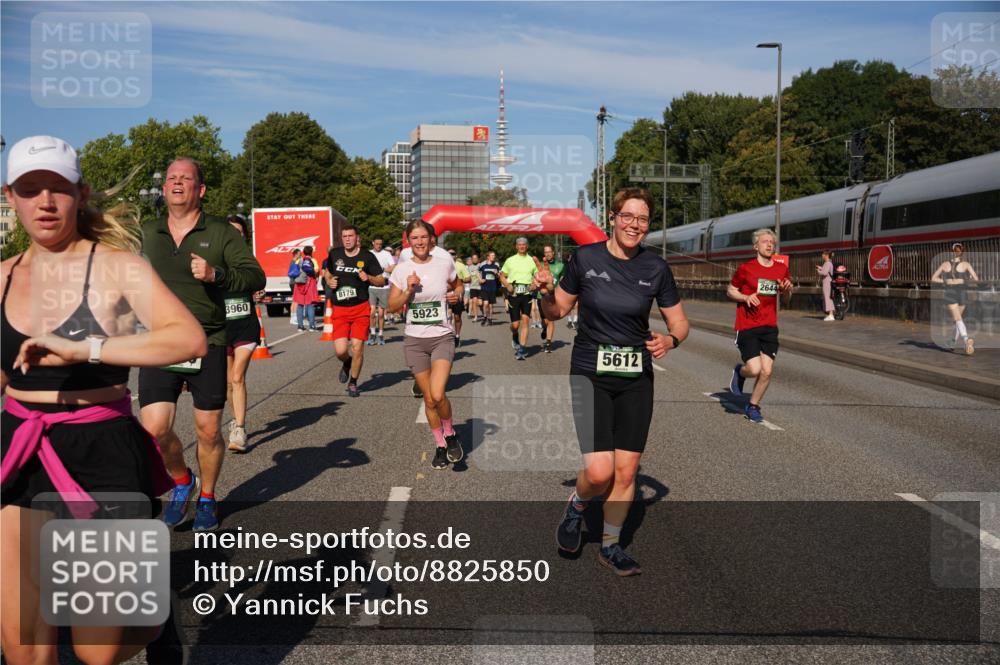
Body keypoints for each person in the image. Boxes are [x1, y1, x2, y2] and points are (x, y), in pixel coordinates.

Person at [1, 135, 206, 664]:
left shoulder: (118, 267)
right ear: (10, 197)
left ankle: (154, 620)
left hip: (103, 449)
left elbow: (187, 339)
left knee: (99, 649)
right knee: (27, 650)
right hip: (19, 449)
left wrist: (86, 348)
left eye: (58, 189)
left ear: (80, 194)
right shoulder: (1, 277)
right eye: (30, 189)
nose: (44, 202)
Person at [538, 187, 688, 576]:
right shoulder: (585, 258)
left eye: (642, 219)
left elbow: (680, 322)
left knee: (627, 473)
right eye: (628, 216)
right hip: (590, 373)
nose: (634, 225)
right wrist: (542, 293)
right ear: (612, 217)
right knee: (601, 472)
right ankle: (576, 505)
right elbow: (558, 309)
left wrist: (670, 339)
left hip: (636, 377)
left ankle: (611, 546)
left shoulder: (656, 268)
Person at [139, 157, 266, 532]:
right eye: (171, 178)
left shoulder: (221, 232)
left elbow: (255, 274)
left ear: (201, 189)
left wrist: (217, 274)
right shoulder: (147, 231)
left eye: (186, 178)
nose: (177, 182)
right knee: (154, 428)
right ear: (164, 189)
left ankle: (208, 496)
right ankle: (182, 481)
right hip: (160, 340)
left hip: (206, 340)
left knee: (209, 430)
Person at [389, 220, 465, 469]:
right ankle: (440, 445)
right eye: (415, 238)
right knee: (429, 401)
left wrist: (457, 295)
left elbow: (459, 285)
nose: (420, 242)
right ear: (408, 241)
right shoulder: (402, 270)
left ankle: (451, 434)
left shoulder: (444, 264)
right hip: (414, 341)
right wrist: (408, 291)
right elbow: (392, 305)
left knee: (437, 393)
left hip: (442, 336)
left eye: (424, 237)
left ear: (432, 239)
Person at [727, 228, 793, 423]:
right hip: (747, 325)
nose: (769, 244)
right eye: (765, 241)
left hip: (769, 326)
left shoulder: (781, 269)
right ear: (756, 246)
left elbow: (787, 299)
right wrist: (746, 297)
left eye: (772, 242)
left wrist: (788, 290)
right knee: (754, 370)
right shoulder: (746, 269)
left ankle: (753, 406)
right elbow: (731, 290)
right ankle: (740, 372)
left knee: (767, 371)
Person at [327, 226, 385, 397]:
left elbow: (381, 280)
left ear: (357, 237)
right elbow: (327, 273)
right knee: (340, 351)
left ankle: (353, 382)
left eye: (350, 236)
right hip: (340, 308)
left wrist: (369, 278)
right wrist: (329, 281)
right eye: (344, 236)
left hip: (360, 308)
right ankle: (347, 362)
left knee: (357, 346)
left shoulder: (367, 256)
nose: (347, 239)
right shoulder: (335, 254)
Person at [223, 215, 263, 453]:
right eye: (230, 231)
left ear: (244, 236)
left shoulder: (249, 261)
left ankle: (239, 428)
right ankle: (235, 420)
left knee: (238, 377)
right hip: (223, 326)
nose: (235, 234)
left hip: (246, 325)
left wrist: (257, 292)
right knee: (228, 382)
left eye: (239, 231)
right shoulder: (214, 260)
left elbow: (258, 281)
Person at [931, 242, 979, 355]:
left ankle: (966, 340)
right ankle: (953, 342)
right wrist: (968, 279)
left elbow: (933, 278)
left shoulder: (945, 264)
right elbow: (976, 279)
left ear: (952, 251)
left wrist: (944, 281)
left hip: (950, 292)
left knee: (957, 320)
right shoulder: (966, 264)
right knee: (958, 319)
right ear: (962, 251)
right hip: (962, 292)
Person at [500, 237, 539, 360]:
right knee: (516, 325)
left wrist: (534, 284)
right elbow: (502, 276)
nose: (522, 246)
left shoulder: (531, 260)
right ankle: (514, 334)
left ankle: (521, 349)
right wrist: (507, 285)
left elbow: (538, 277)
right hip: (514, 294)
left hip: (527, 294)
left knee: (526, 321)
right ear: (516, 246)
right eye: (519, 245)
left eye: (524, 244)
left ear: (527, 246)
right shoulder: (510, 260)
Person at [367, 235, 395, 346]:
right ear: (372, 242)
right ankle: (373, 334)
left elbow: (393, 267)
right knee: (372, 312)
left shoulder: (386, 254)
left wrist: (383, 269)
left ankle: (381, 335)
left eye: (380, 244)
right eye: (377, 244)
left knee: (381, 314)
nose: (378, 246)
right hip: (372, 286)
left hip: (384, 287)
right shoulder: (369, 254)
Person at [539, 244, 565, 353]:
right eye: (546, 252)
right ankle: (544, 328)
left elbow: (563, 280)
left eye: (549, 252)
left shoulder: (561, 265)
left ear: (553, 252)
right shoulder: (539, 265)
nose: (548, 254)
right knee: (544, 320)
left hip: (553, 297)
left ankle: (548, 342)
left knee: (550, 319)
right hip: (540, 296)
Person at [292, 245, 319, 331]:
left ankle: (300, 326)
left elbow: (294, 270)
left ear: (303, 252)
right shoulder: (313, 260)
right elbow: (316, 270)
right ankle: (312, 326)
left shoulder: (299, 260)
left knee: (300, 305)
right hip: (309, 283)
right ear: (311, 252)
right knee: (310, 305)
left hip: (299, 284)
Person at [449, 249, 470, 344]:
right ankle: (447, 336)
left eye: (453, 254)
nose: (450, 255)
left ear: (456, 256)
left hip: (457, 293)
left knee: (457, 317)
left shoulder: (460, 266)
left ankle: (457, 335)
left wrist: (459, 281)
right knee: (448, 315)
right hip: (445, 293)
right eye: (448, 253)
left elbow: (468, 278)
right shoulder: (441, 265)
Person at [478, 250, 501, 326]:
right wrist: (480, 279)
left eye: (494, 255)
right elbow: (477, 272)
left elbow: (499, 276)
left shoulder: (496, 265)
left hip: (492, 287)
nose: (494, 257)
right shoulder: (483, 264)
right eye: (492, 255)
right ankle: (485, 317)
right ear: (488, 257)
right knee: (485, 303)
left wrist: (496, 274)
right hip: (484, 287)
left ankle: (490, 318)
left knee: (490, 306)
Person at [816, 250, 834, 321]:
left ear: (826, 255)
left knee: (827, 297)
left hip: (827, 282)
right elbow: (825, 270)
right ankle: (830, 314)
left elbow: (824, 273)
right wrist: (820, 267)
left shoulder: (827, 263)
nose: (822, 256)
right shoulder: (829, 263)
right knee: (828, 297)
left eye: (823, 254)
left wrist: (818, 271)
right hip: (828, 282)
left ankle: (831, 314)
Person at [287, 248, 302, 326]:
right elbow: (297, 272)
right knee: (296, 300)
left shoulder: (292, 261)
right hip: (295, 282)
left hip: (292, 282)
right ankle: (294, 317)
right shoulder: (295, 261)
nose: (301, 255)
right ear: (296, 254)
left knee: (294, 300)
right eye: (299, 253)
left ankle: (293, 317)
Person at [468, 254, 482, 321]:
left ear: (478, 259)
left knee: (480, 303)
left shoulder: (481, 266)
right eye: (473, 258)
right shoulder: (469, 267)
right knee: (474, 301)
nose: (475, 259)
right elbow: (468, 277)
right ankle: (475, 316)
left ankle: (483, 312)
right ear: (472, 259)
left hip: (481, 287)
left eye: (476, 258)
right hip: (473, 287)